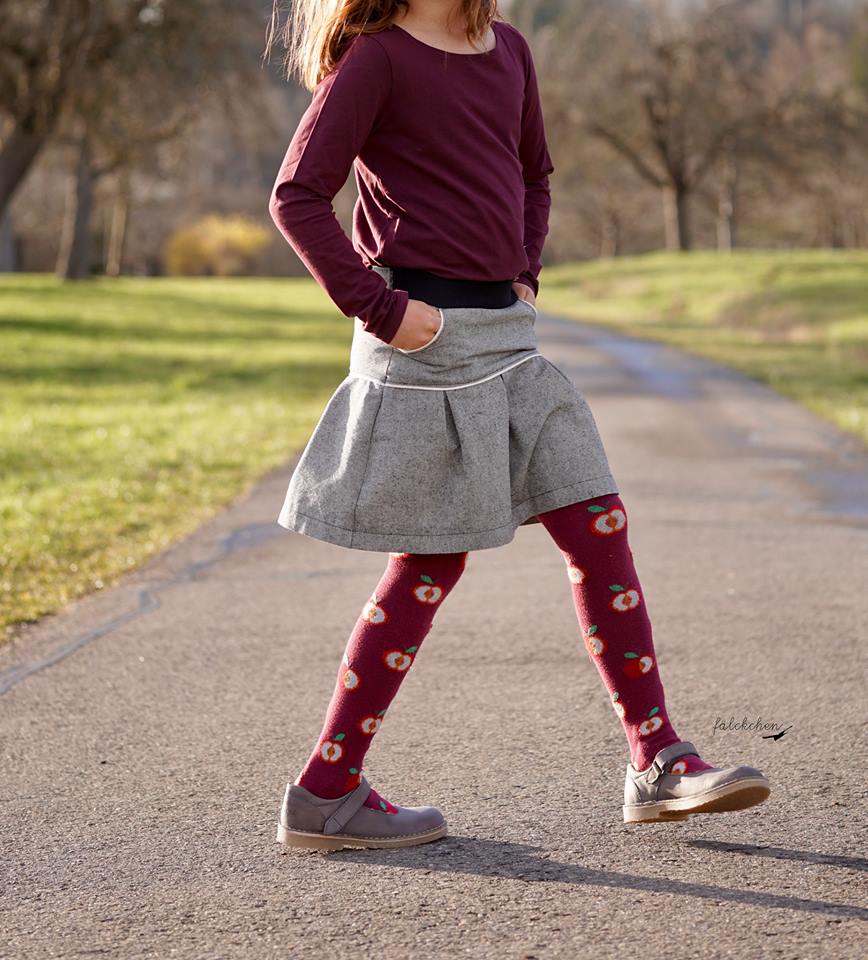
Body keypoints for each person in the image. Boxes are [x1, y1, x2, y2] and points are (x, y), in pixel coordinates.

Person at [265, 0, 771, 852]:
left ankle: (657, 758)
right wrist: (384, 311)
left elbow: (536, 175)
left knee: (598, 522)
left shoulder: (508, 49)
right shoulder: (378, 58)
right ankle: (327, 788)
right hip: (420, 344)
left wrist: (527, 273)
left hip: (509, 338)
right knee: (431, 561)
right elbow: (297, 196)